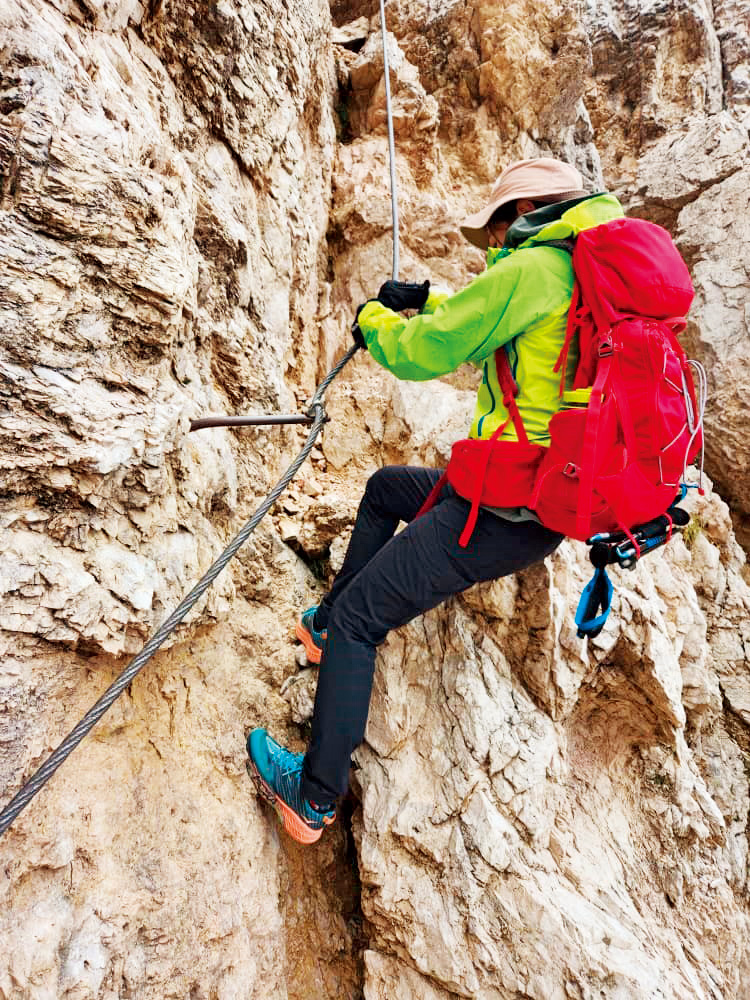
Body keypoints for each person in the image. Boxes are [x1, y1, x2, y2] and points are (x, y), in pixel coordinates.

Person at [247, 157, 626, 844]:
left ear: (526, 212)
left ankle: (314, 796)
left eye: (499, 229)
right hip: (529, 499)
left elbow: (428, 353)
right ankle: (324, 626)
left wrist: (377, 321)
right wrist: (426, 296)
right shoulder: (585, 275)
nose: (496, 243)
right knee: (386, 490)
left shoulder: (536, 270)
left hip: (500, 511)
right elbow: (489, 320)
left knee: (367, 618)